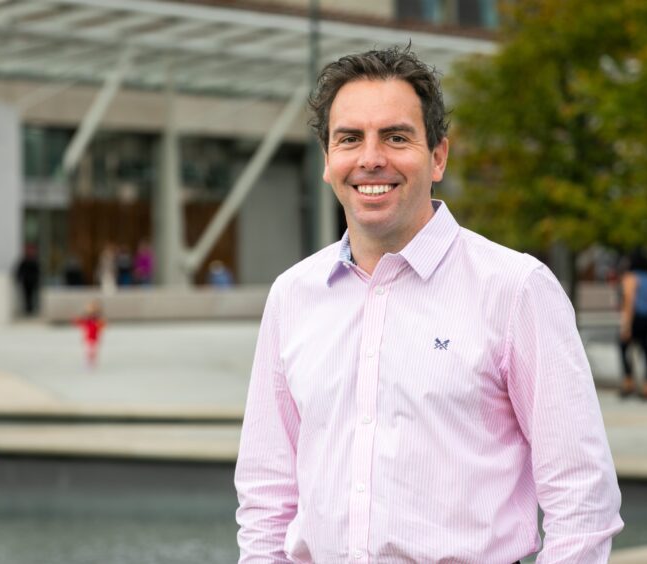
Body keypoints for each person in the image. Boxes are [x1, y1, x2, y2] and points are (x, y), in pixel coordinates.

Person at [235, 46, 623, 563]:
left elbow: (582, 498)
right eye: (349, 139)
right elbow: (266, 497)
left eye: (396, 137)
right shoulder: (292, 296)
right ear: (327, 160)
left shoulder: (516, 290)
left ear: (438, 156)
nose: (371, 158)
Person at [618, 250, 647, 399]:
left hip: (635, 318)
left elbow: (629, 301)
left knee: (623, 347)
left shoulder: (630, 278)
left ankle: (628, 381)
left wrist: (626, 325)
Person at [75, 300, 105, 368]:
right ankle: (88, 362)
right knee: (88, 351)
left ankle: (92, 362)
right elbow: (78, 322)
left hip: (95, 338)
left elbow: (102, 326)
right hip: (88, 338)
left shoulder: (97, 320)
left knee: (93, 351)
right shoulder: (87, 320)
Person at [14, 243, 41, 316]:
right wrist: (19, 278)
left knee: (33, 296)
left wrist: (37, 279)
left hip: (33, 282)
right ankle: (28, 309)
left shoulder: (34, 261)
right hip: (26, 282)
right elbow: (20, 271)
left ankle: (32, 309)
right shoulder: (25, 261)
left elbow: (38, 272)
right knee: (27, 296)